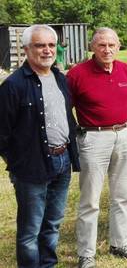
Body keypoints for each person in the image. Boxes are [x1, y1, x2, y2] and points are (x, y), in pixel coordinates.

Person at [0, 25, 80, 268]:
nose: (47, 50)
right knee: (30, 230)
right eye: (39, 45)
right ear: (26, 50)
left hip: (62, 160)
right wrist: (18, 163)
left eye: (51, 45)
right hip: (31, 167)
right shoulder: (13, 85)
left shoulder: (59, 78)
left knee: (53, 224)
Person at [67, 28, 127, 267]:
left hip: (123, 134)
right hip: (93, 138)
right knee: (90, 200)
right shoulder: (77, 74)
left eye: (112, 45)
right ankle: (86, 253)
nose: (107, 49)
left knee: (122, 196)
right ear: (92, 47)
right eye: (101, 45)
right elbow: (64, 108)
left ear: (119, 47)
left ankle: (119, 243)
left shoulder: (124, 70)